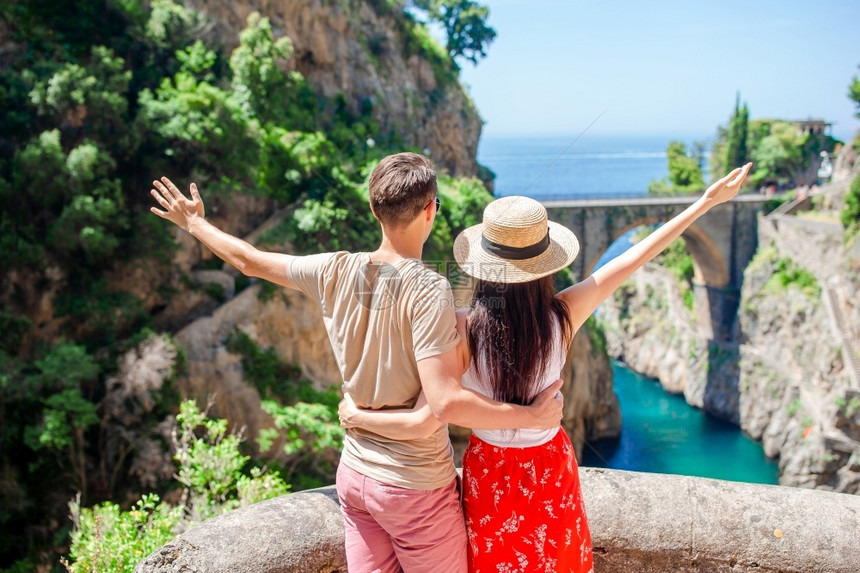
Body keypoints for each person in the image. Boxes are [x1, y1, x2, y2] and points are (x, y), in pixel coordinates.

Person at [148, 152, 565, 573]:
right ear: (430, 210)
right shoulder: (430, 289)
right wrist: (532, 416)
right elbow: (441, 408)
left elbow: (249, 260)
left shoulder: (334, 269)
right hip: (413, 487)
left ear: (373, 208)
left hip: (354, 477)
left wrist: (195, 223)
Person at [340, 162, 754, 573]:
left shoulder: (461, 326)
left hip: (490, 467)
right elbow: (632, 258)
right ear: (544, 264)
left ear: (484, 266)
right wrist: (703, 203)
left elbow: (433, 391)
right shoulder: (564, 317)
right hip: (549, 461)